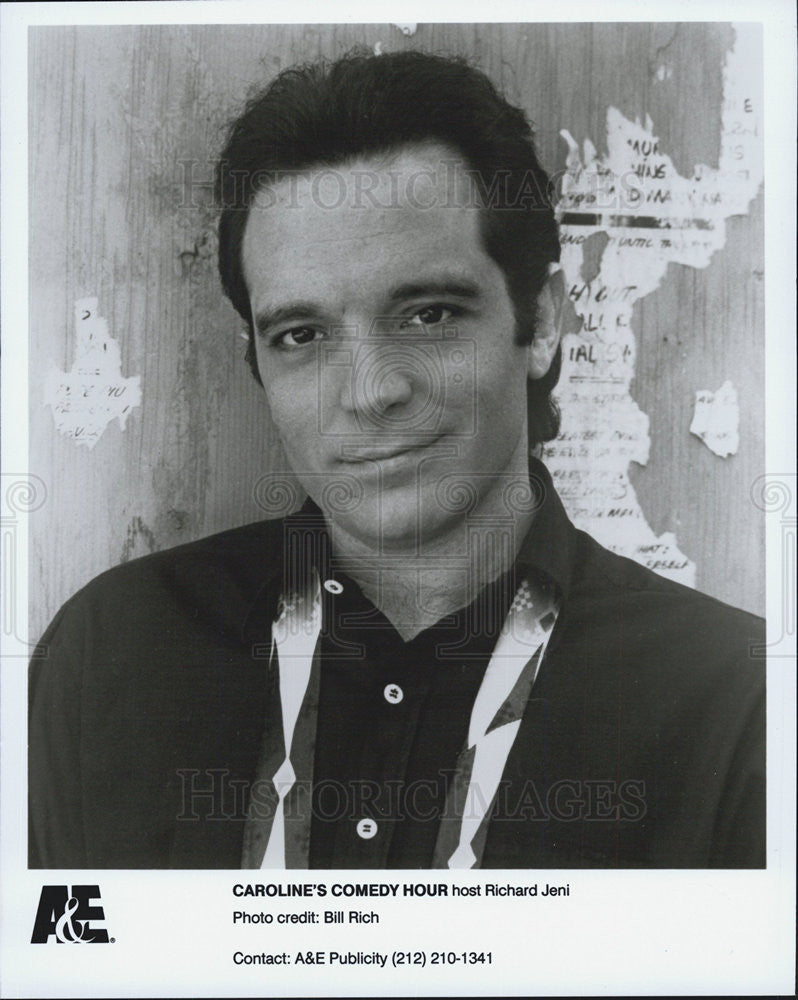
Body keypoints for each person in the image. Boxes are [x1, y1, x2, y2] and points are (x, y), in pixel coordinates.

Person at [29, 50, 765, 870]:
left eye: (427, 315)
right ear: (258, 363)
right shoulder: (111, 655)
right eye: (302, 336)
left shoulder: (738, 700)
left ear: (544, 322)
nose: (371, 392)